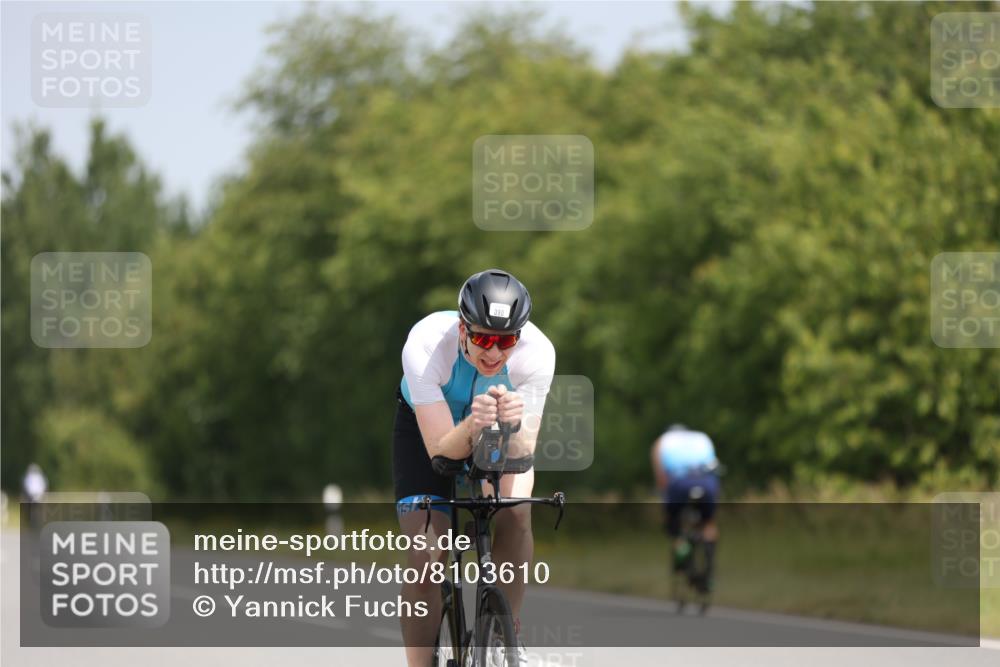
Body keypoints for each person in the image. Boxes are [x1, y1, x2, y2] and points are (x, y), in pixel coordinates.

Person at [394, 269, 555, 667]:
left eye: (506, 341)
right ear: (462, 328)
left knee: (516, 514)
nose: (494, 353)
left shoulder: (537, 354)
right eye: (483, 338)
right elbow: (441, 455)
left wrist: (512, 425)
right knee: (426, 557)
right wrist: (473, 423)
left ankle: (504, 633)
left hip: (497, 429)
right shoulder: (428, 343)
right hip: (428, 431)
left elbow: (523, 453)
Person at [651, 424, 720, 591]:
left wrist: (664, 497)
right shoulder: (702, 437)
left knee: (673, 523)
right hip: (707, 484)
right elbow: (714, 466)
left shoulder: (662, 441)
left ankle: (680, 548)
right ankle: (709, 568)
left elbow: (660, 476)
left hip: (680, 484)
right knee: (708, 523)